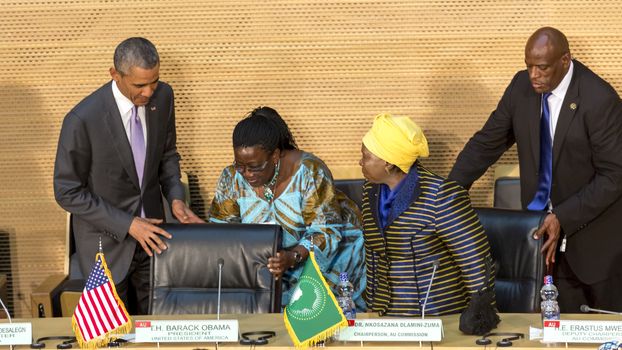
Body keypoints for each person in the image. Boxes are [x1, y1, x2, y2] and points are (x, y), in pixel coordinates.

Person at [449, 27, 622, 313]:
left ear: (565, 61)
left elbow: (615, 175)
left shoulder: (599, 99)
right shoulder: (521, 88)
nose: (533, 75)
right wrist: (450, 190)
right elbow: (486, 143)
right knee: (552, 330)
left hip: (597, 247)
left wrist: (562, 216)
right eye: (528, 66)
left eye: (542, 67)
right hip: (542, 241)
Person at [53, 37, 202, 315]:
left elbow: (167, 155)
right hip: (105, 247)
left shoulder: (164, 96)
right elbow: (67, 191)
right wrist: (128, 224)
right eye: (139, 85)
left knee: (156, 334)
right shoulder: (82, 120)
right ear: (115, 74)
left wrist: (175, 198)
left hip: (155, 242)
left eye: (154, 81)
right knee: (112, 336)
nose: (148, 92)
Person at [209, 106, 366, 310]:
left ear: (275, 156)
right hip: (266, 268)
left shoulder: (309, 172)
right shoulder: (231, 178)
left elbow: (325, 231)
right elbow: (223, 231)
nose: (247, 174)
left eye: (255, 167)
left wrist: (293, 257)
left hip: (329, 262)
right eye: (240, 165)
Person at [359, 113, 494, 316]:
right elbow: (374, 256)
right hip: (386, 318)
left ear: (388, 162)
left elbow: (475, 263)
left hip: (438, 318)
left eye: (366, 157)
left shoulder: (442, 195)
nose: (360, 162)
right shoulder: (371, 190)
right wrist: (372, 307)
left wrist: (480, 316)